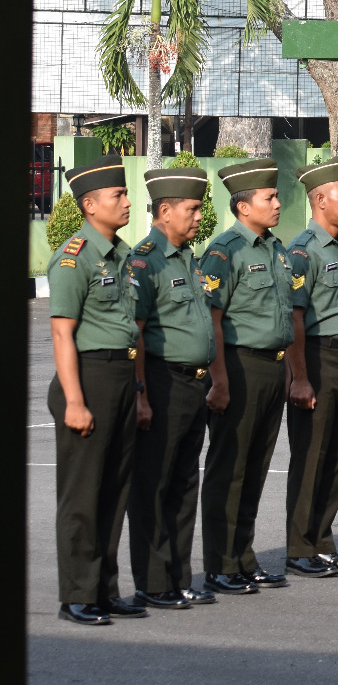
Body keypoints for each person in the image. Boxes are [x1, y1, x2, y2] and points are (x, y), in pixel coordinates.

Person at [48, 155, 146, 625]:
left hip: (121, 379)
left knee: (113, 491)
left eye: (125, 193)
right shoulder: (74, 257)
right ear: (90, 205)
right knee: (82, 495)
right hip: (88, 379)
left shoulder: (120, 255)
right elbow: (61, 333)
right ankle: (77, 595)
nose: (127, 202)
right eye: (117, 195)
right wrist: (74, 401)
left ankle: (105, 590)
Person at [199, 158, 294, 595]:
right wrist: (219, 380)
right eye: (269, 197)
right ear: (243, 207)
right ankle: (220, 564)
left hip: (273, 367)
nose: (277, 204)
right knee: (230, 469)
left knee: (254, 469)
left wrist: (289, 370)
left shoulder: (276, 249)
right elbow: (212, 320)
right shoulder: (225, 251)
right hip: (239, 368)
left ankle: (244, 558)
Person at [128, 164, 218, 610]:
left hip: (193, 385)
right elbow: (137, 332)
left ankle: (179, 578)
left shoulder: (187, 257)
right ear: (165, 211)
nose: (200, 216)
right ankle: (152, 581)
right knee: (154, 484)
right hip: (162, 383)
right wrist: (141, 393)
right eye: (192, 209)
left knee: (184, 484)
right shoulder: (146, 261)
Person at [283, 156, 338, 577]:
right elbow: (295, 318)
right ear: (319, 200)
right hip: (317, 358)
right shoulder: (303, 250)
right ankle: (300, 547)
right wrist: (299, 377)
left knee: (336, 457)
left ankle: (323, 542)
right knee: (311, 457)